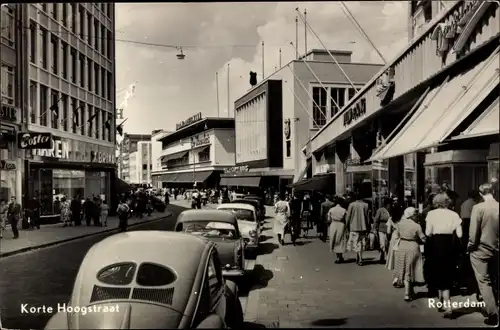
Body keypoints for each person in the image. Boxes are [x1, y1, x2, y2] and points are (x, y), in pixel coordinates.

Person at [425, 193, 463, 317]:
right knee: (447, 273)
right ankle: (442, 301)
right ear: (448, 202)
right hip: (450, 245)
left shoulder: (431, 214)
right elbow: (460, 234)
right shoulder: (454, 214)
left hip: (436, 245)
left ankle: (447, 305)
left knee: (437, 272)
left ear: (435, 202)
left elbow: (428, 233)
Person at [468, 183, 499, 326]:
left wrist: (470, 246)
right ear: (492, 192)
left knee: (483, 281)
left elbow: (473, 233)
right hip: (497, 248)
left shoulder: (478, 208)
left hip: (481, 249)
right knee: (495, 278)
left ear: (480, 194)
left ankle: (493, 313)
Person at [392, 207, 426, 301]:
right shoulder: (416, 226)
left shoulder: (400, 224)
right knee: (410, 269)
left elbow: (397, 235)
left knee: (405, 268)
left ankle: (410, 291)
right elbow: (422, 238)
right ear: (412, 215)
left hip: (402, 246)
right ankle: (407, 293)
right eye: (415, 214)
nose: (416, 216)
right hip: (413, 246)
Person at [346, 193, 370, 266]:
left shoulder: (351, 205)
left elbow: (348, 216)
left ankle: (359, 258)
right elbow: (367, 217)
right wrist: (368, 226)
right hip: (363, 226)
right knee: (361, 243)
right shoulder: (366, 205)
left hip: (353, 226)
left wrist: (347, 225)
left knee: (356, 243)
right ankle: (359, 257)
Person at [328, 196, 348, 263]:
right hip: (341, 225)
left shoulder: (331, 210)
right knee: (340, 240)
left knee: (334, 240)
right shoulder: (344, 210)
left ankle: (337, 257)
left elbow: (328, 219)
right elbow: (346, 219)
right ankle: (340, 256)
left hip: (333, 225)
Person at [373, 198, 392, 264]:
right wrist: (374, 228)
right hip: (381, 229)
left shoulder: (391, 210)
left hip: (389, 229)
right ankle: (382, 256)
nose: (390, 206)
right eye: (389, 204)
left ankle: (386, 257)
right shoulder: (380, 210)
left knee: (387, 244)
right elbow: (376, 220)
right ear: (386, 204)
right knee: (382, 243)